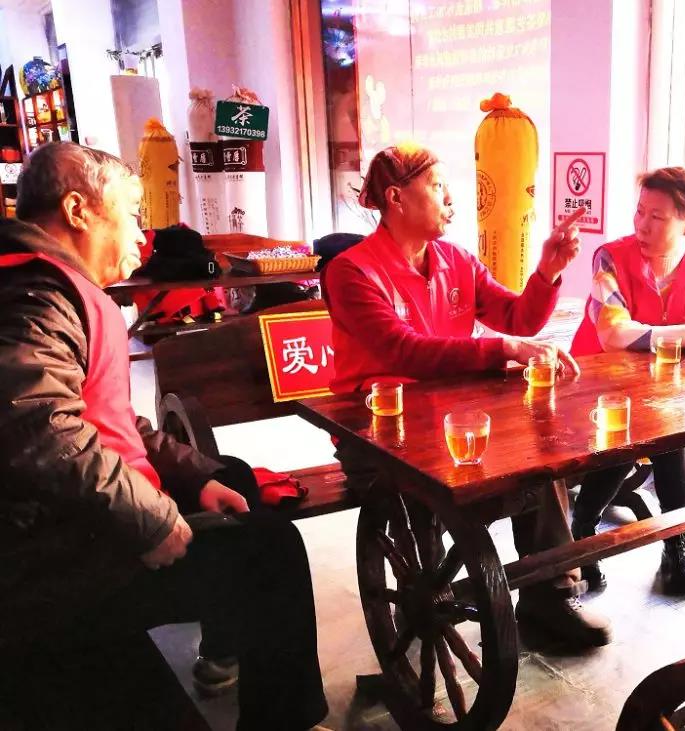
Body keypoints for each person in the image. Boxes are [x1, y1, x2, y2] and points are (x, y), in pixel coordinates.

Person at [0, 142, 329, 730]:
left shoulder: (56, 288)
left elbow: (113, 421)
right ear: (77, 210)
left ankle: (229, 661)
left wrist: (194, 477)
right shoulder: (34, 296)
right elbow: (40, 425)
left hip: (81, 525)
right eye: (131, 213)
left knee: (240, 499)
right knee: (266, 553)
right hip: (55, 563)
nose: (142, 235)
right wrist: (151, 517)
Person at [322, 143, 612, 648]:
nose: (450, 197)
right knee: (451, 484)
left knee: (541, 454)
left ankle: (549, 595)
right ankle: (439, 596)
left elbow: (517, 318)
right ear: (396, 198)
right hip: (378, 430)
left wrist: (546, 271)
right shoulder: (352, 272)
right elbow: (403, 351)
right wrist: (503, 348)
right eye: (437, 186)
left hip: (450, 419)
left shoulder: (456, 260)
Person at [568, 166, 685, 595]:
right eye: (640, 211)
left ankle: (673, 542)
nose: (642, 225)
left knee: (667, 435)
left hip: (663, 392)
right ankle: (584, 535)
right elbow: (613, 333)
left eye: (657, 216)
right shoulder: (610, 257)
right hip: (596, 384)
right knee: (632, 438)